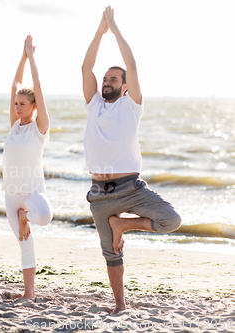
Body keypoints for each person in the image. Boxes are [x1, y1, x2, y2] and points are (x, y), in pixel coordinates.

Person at [82, 6, 181, 313]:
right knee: (110, 254)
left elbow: (133, 65)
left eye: (113, 79)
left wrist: (115, 28)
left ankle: (123, 225)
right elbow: (86, 69)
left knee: (171, 220)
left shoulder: (132, 106)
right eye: (106, 78)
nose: (106, 82)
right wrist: (99, 33)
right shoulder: (94, 104)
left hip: (132, 188)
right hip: (99, 196)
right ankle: (120, 305)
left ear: (125, 86)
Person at [3, 36, 53, 299]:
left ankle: (27, 216)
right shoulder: (14, 125)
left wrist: (32, 57)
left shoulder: (39, 129)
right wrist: (21, 57)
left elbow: (39, 89)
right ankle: (29, 292)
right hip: (11, 195)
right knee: (25, 243)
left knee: (44, 217)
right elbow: (14, 87)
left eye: (23, 104)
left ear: (34, 107)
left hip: (32, 193)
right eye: (16, 104)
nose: (17, 107)